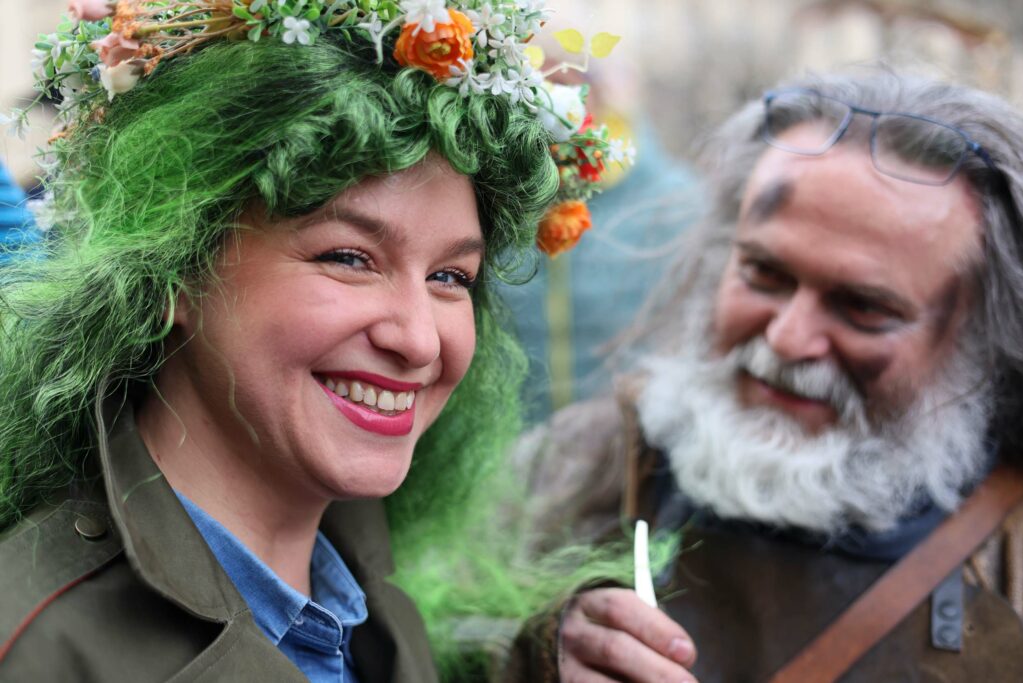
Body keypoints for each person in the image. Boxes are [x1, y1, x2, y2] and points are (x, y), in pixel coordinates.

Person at [0, 2, 697, 681]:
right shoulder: (38, 650)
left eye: (451, 276)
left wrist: (535, 661)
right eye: (349, 258)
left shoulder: (366, 578)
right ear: (172, 268)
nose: (419, 340)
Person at [518, 69, 1023, 681]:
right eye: (764, 273)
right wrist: (536, 651)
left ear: (983, 337)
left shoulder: (1009, 558)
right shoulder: (574, 467)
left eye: (863, 307)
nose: (786, 338)